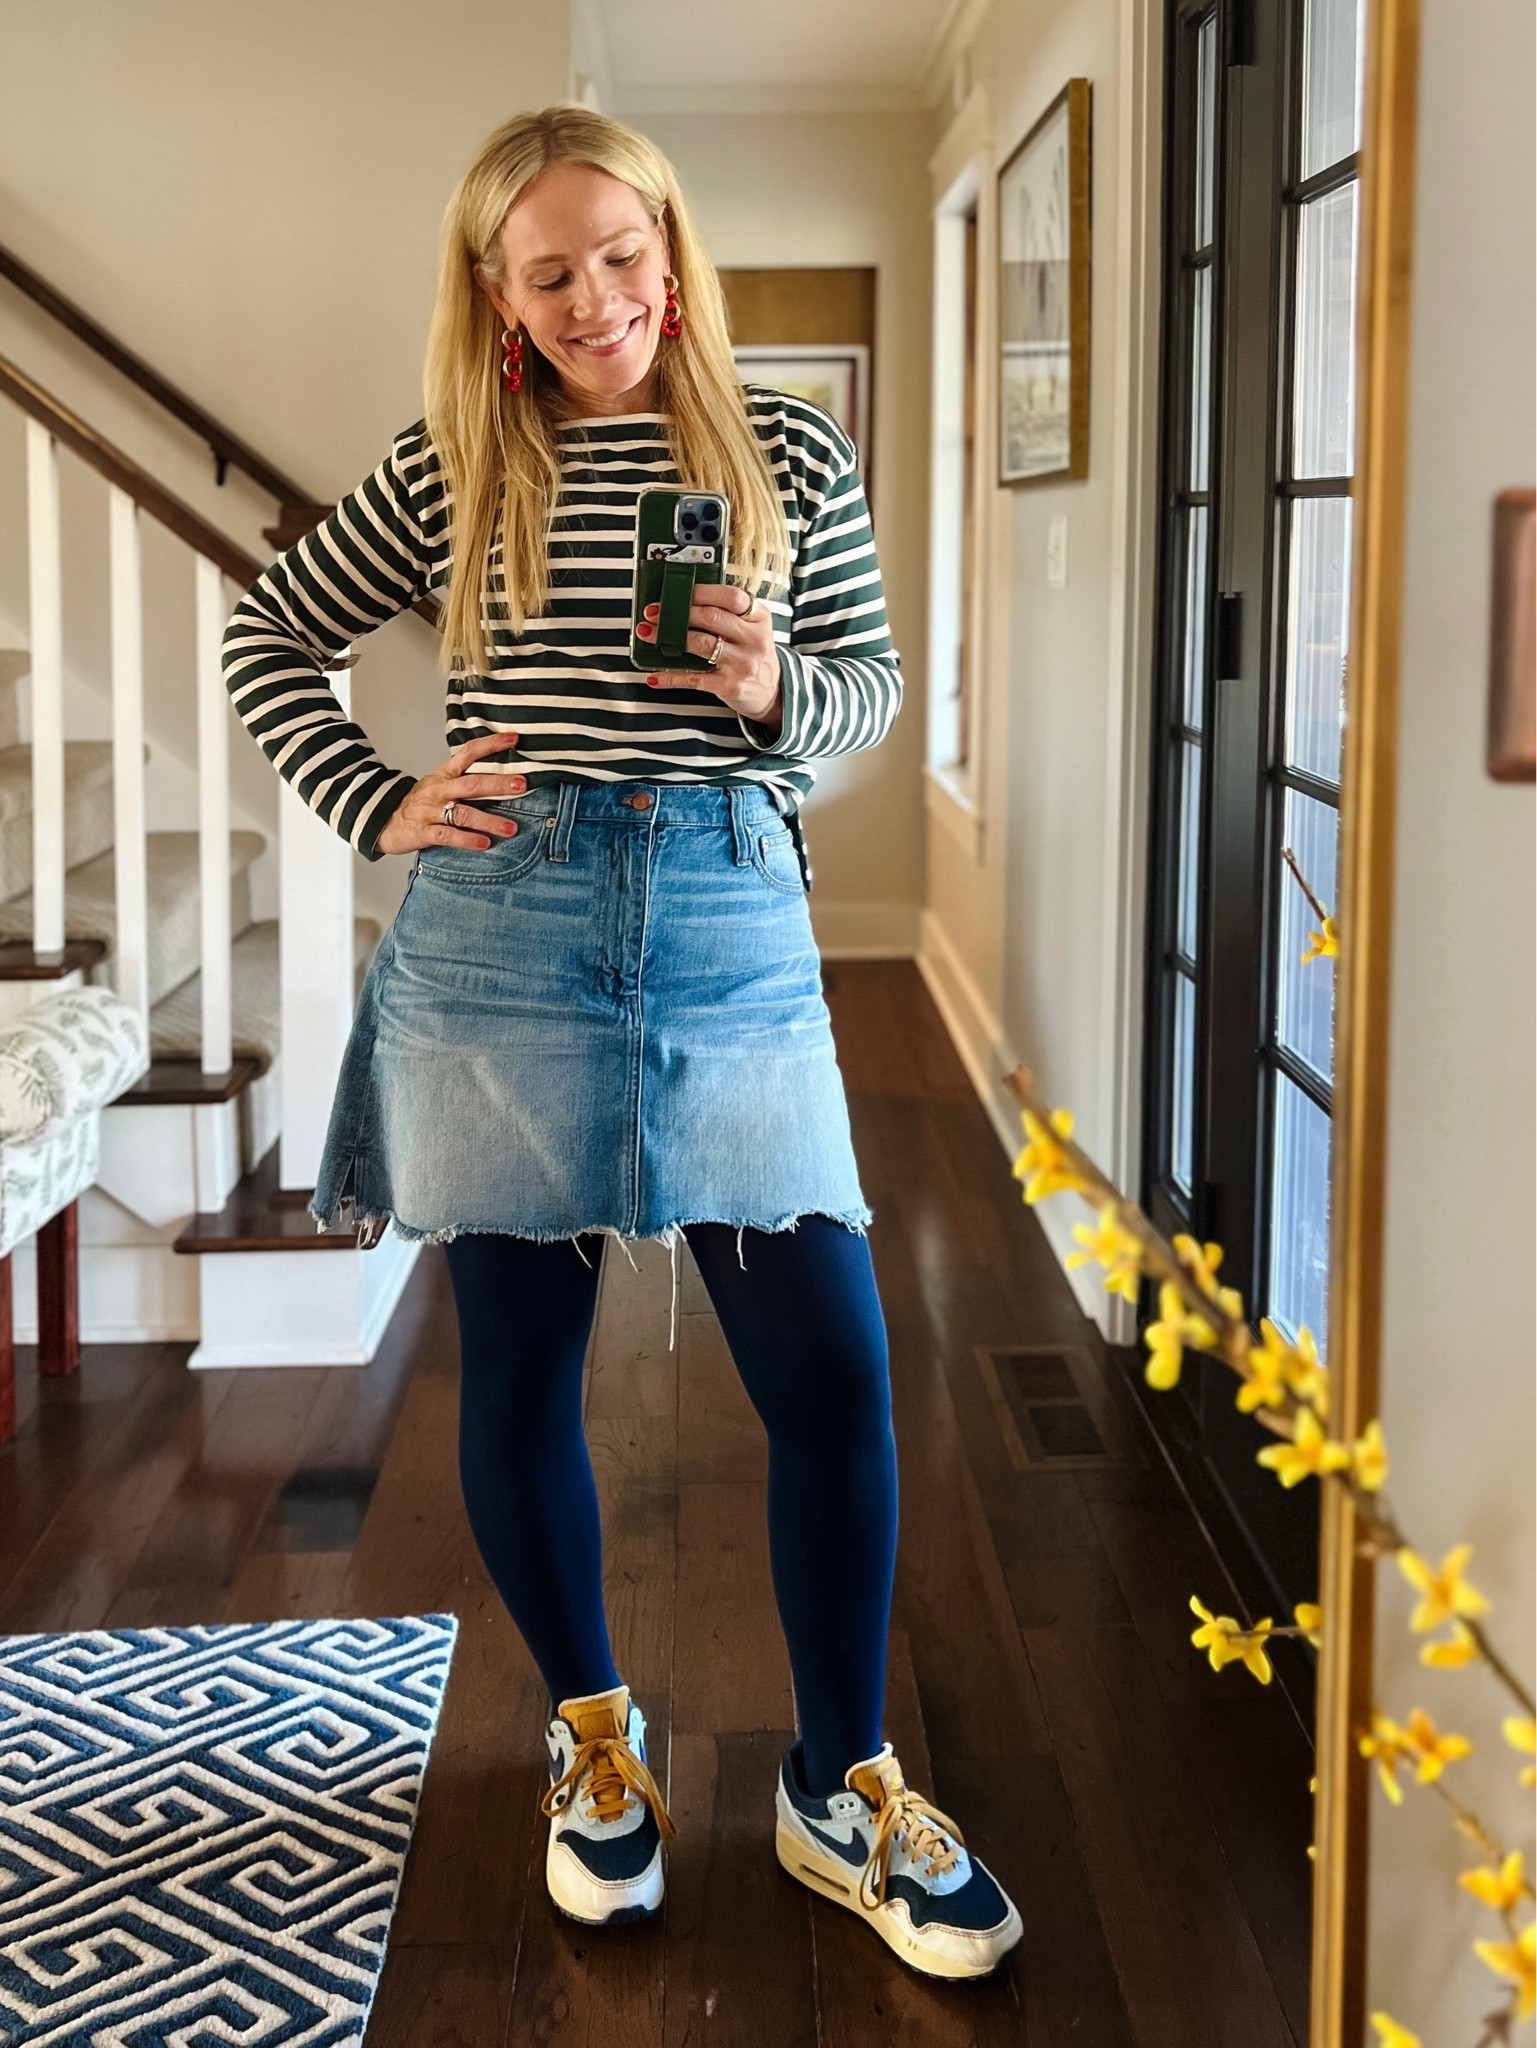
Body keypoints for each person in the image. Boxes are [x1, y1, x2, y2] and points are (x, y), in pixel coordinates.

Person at [223, 104, 1021, 1981]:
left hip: (733, 915)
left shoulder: (785, 451)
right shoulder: (455, 468)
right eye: (551, 271)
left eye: (621, 253)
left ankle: (845, 1788)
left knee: (828, 1367)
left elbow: (867, 689)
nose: (599, 299)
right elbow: (276, 632)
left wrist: (772, 689)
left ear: (672, 247)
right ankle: (594, 1744)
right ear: (498, 297)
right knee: (518, 1365)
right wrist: (376, 796)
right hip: (505, 931)